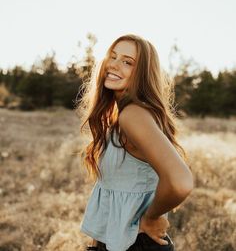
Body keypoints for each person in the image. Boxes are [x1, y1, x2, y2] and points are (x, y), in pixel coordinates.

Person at [77, 34, 194, 251]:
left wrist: (151, 218)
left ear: (142, 74)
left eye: (127, 62)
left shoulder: (133, 115)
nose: (114, 65)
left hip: (134, 243)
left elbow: (181, 181)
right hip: (119, 240)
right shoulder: (127, 114)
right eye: (113, 57)